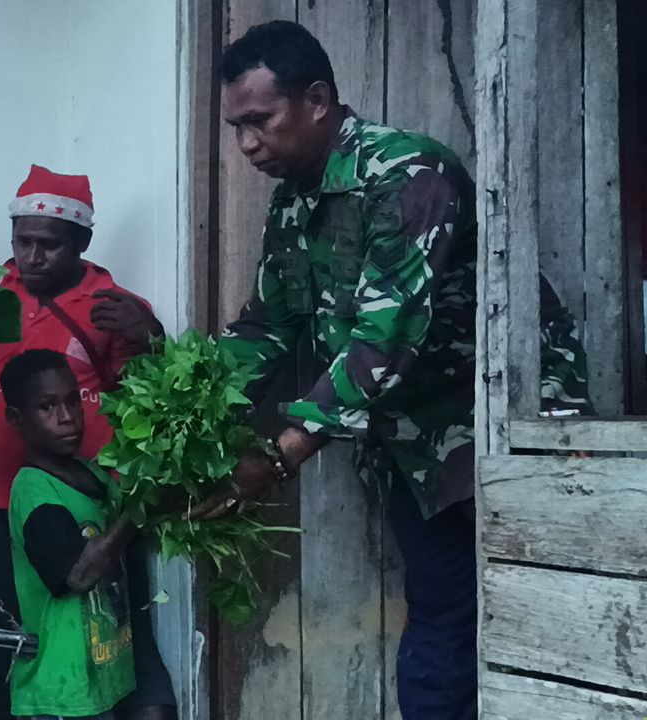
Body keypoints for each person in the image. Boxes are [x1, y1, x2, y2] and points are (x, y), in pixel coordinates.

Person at [192, 21, 592, 720]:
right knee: (442, 609)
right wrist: (195, 411)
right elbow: (268, 324)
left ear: (317, 99)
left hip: (506, 425)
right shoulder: (294, 201)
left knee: (548, 611)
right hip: (414, 441)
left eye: (260, 121)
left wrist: (282, 456)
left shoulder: (409, 172)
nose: (248, 144)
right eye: (237, 127)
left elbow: (385, 335)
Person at [0, 165, 177, 720]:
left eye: (49, 245)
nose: (33, 256)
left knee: (112, 641)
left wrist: (153, 340)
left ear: (81, 242)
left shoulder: (113, 307)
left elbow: (158, 401)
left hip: (86, 512)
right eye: (23, 242)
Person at [3, 350, 138, 720]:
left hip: (96, 681)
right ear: (17, 419)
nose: (67, 418)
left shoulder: (90, 474)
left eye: (72, 402)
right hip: (58, 691)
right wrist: (143, 509)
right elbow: (77, 575)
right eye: (47, 407)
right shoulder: (33, 490)